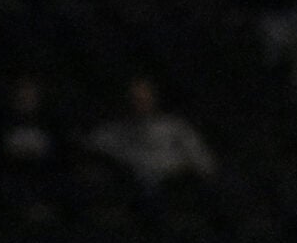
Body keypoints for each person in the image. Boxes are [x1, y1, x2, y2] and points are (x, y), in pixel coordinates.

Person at [88, 78, 217, 189]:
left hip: (173, 189)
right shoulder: (115, 131)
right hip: (131, 191)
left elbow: (203, 162)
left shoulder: (174, 127)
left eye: (144, 98)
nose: (139, 104)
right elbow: (92, 146)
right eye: (135, 99)